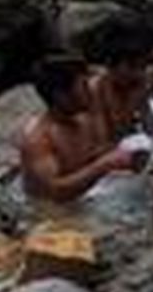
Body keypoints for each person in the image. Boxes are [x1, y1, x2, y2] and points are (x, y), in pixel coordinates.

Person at [20, 54, 146, 204]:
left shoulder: (83, 120)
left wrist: (128, 159)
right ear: (60, 95)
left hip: (85, 200)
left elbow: (94, 157)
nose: (90, 90)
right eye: (83, 85)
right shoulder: (39, 139)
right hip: (50, 215)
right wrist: (104, 165)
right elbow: (53, 192)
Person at [88, 26, 153, 144]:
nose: (138, 73)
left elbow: (149, 123)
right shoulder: (96, 89)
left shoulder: (140, 82)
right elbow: (102, 138)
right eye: (132, 67)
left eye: (142, 67)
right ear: (111, 65)